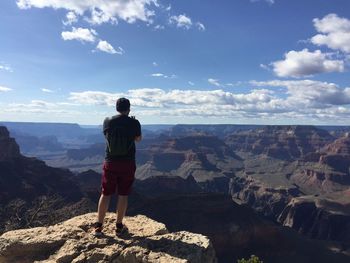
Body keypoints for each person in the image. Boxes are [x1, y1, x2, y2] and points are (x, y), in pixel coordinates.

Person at [93, 97, 142, 236]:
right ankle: (119, 227)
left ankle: (98, 226)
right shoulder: (134, 122)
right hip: (127, 163)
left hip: (110, 162)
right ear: (129, 108)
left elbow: (107, 137)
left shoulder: (107, 121)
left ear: (116, 108)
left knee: (106, 193)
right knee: (123, 194)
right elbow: (138, 139)